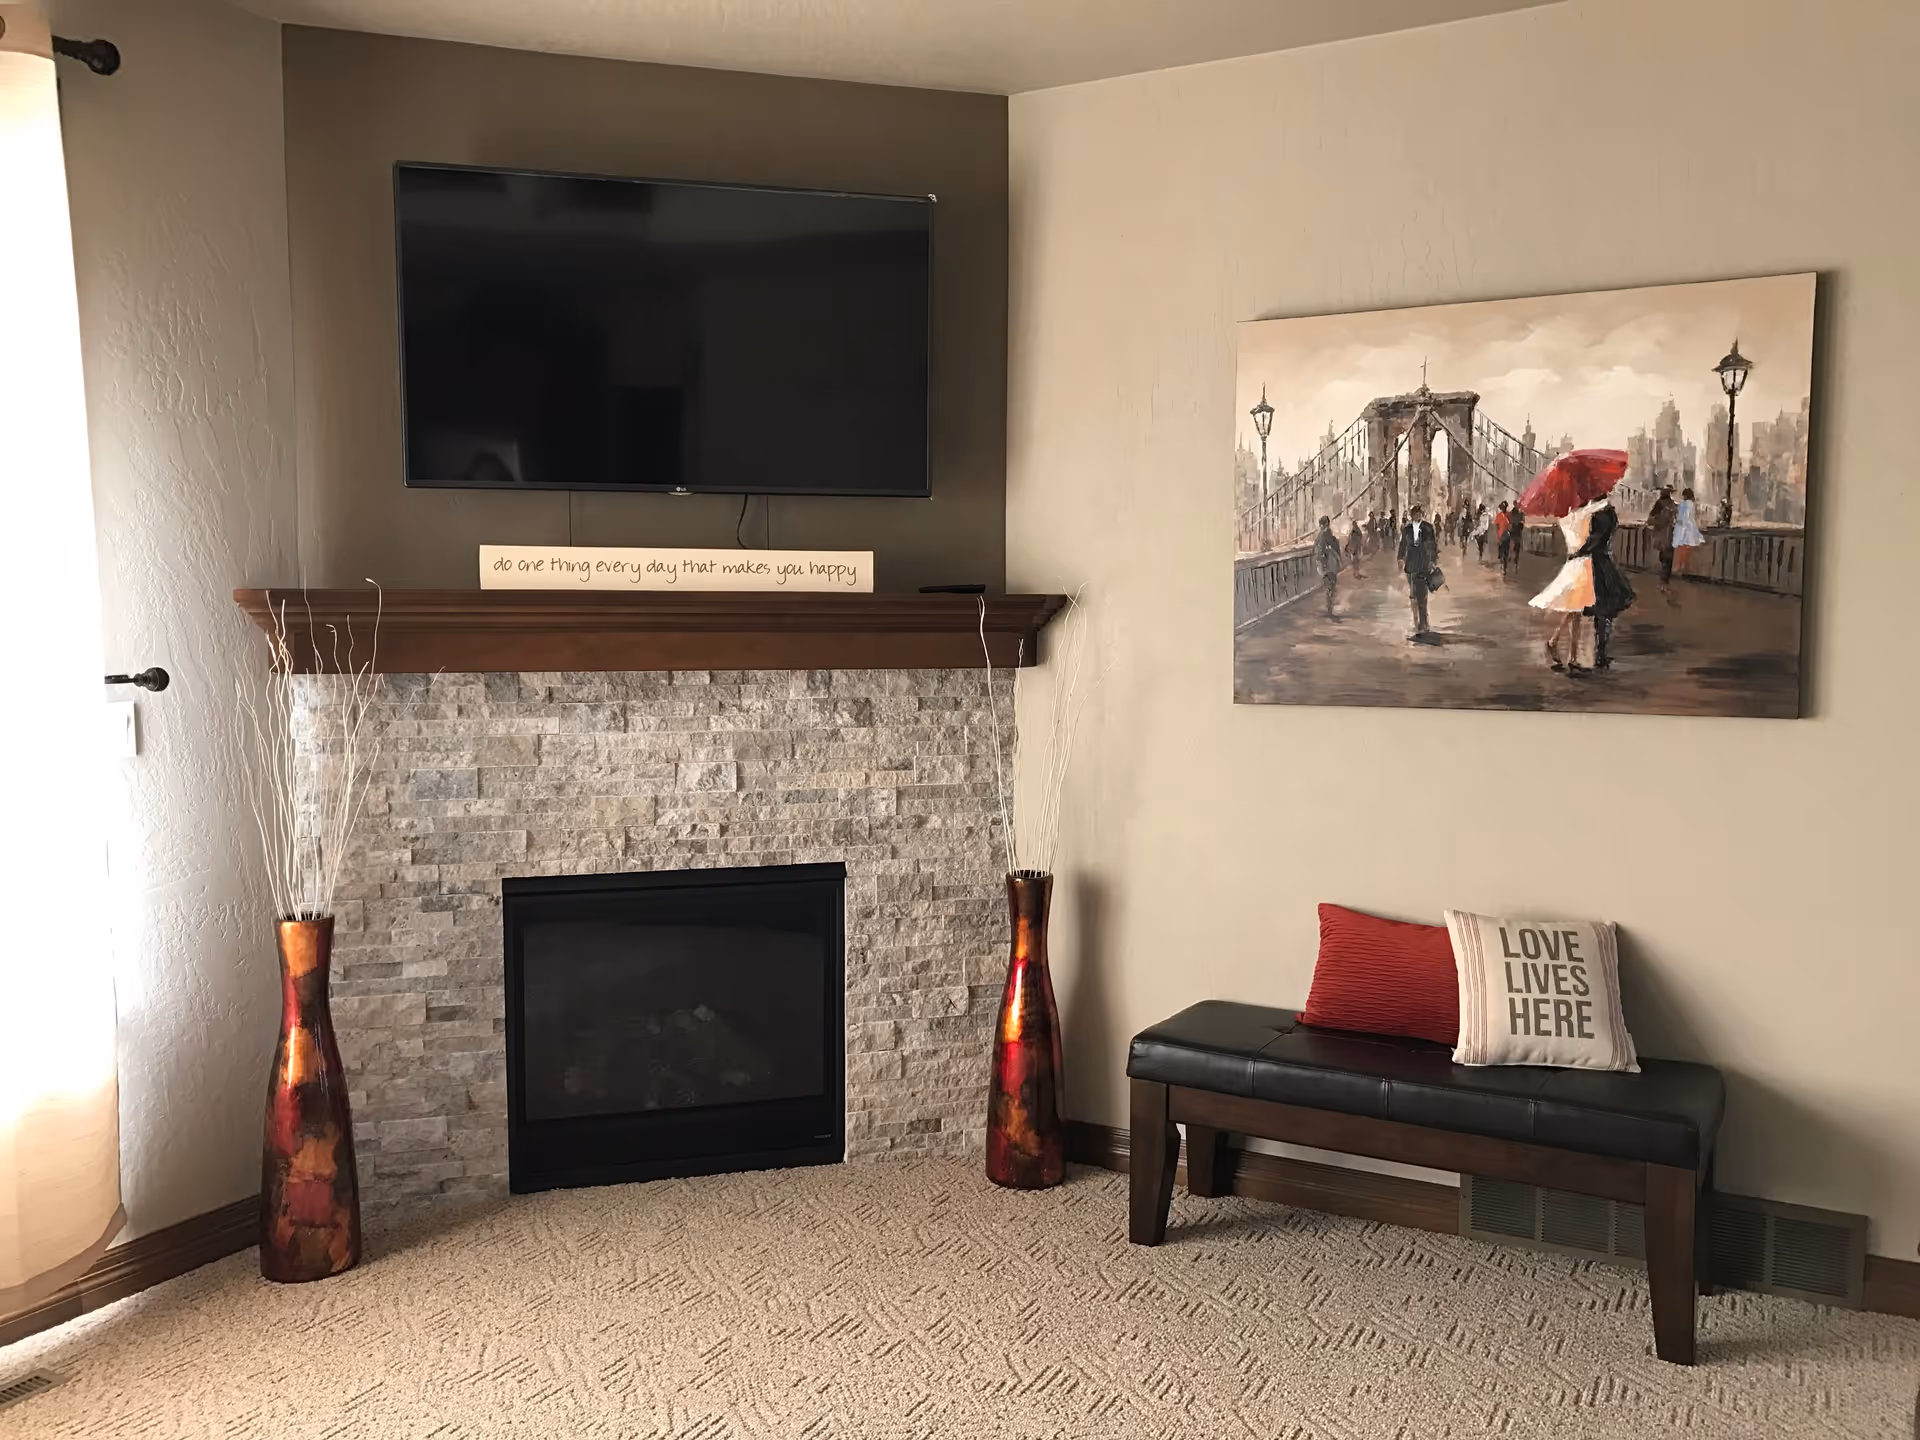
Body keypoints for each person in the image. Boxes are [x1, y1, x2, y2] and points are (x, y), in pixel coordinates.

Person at [1528, 496, 1611, 671]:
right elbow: (1597, 514)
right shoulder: (1584, 516)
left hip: (1572, 564)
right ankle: (1559, 645)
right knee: (1576, 611)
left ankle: (1566, 651)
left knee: (1575, 612)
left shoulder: (1564, 519)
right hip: (1583, 566)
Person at [1577, 497, 1635, 669]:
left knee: (1600, 610)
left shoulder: (1599, 515)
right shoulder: (1610, 513)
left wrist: (1579, 552)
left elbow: (1594, 540)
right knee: (1606, 611)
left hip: (1597, 564)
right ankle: (1601, 652)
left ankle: (1600, 653)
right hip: (1606, 562)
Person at [1396, 505, 1440, 640]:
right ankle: (1418, 620)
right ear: (1411, 515)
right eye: (1415, 514)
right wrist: (1400, 559)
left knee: (1422, 594)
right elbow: (1403, 544)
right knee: (1414, 594)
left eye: (1419, 514)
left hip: (1423, 564)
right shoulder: (1407, 529)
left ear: (1422, 514)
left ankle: (1423, 623)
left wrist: (1433, 560)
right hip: (1411, 564)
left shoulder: (1428, 527)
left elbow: (1433, 545)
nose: (1417, 516)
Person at [1670, 486, 1705, 594]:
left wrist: (1676, 522)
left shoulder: (1684, 504)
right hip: (1691, 528)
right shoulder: (1692, 504)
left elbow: (1682, 518)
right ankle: (1684, 567)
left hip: (1683, 529)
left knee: (1681, 548)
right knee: (1687, 547)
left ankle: (1679, 568)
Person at [1646, 485, 1678, 599]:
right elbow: (1650, 520)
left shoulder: (1671, 505)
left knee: (1667, 559)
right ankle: (1664, 582)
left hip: (1668, 536)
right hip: (1664, 536)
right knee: (1665, 558)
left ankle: (1664, 582)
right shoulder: (1660, 505)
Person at [1314, 515, 1344, 617]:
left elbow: (1315, 549)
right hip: (1329, 564)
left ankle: (1329, 605)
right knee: (1331, 584)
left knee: (1328, 584)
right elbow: (1334, 548)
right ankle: (1330, 604)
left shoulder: (1321, 535)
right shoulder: (1327, 534)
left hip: (1324, 564)